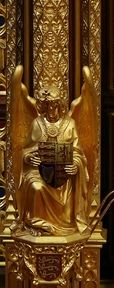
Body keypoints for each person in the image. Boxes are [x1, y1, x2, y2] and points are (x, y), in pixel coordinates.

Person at [16, 87, 90, 235]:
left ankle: (66, 222)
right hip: (38, 172)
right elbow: (25, 150)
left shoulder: (70, 124)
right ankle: (37, 224)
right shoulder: (37, 123)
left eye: (56, 105)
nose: (52, 110)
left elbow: (77, 152)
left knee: (66, 186)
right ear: (44, 106)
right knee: (36, 187)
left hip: (63, 175)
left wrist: (75, 165)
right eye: (49, 105)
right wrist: (29, 157)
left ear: (61, 106)